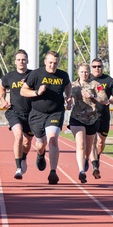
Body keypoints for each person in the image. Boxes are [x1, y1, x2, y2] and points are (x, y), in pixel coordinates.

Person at [20, 50, 71, 185]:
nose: (52, 66)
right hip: (37, 113)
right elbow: (23, 91)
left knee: (53, 139)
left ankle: (53, 171)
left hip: (56, 112)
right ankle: (40, 154)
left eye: (55, 63)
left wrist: (68, 96)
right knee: (41, 143)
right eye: (50, 63)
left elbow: (68, 85)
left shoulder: (63, 75)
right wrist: (37, 92)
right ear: (45, 62)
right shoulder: (36, 74)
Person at [0, 49, 35, 179]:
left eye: (23, 60)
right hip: (14, 112)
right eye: (19, 59)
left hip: (31, 113)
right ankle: (18, 167)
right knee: (18, 135)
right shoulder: (9, 76)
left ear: (27, 61)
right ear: (15, 62)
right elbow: (2, 87)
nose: (21, 62)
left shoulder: (33, 75)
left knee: (27, 142)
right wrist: (3, 100)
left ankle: (24, 157)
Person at [69, 62, 105, 183]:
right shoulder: (73, 85)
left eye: (86, 71)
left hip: (92, 119)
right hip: (76, 118)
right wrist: (68, 100)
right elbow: (67, 97)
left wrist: (93, 96)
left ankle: (85, 160)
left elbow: (104, 99)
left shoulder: (96, 85)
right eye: (82, 72)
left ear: (89, 72)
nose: (84, 74)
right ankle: (81, 172)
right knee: (80, 144)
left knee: (88, 149)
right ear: (78, 72)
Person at [89, 59, 113, 178]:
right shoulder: (88, 80)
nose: (97, 68)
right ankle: (95, 165)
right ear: (91, 67)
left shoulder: (109, 81)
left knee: (101, 142)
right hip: (90, 115)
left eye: (99, 66)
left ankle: (97, 157)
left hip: (104, 116)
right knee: (92, 141)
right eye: (94, 66)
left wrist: (111, 100)